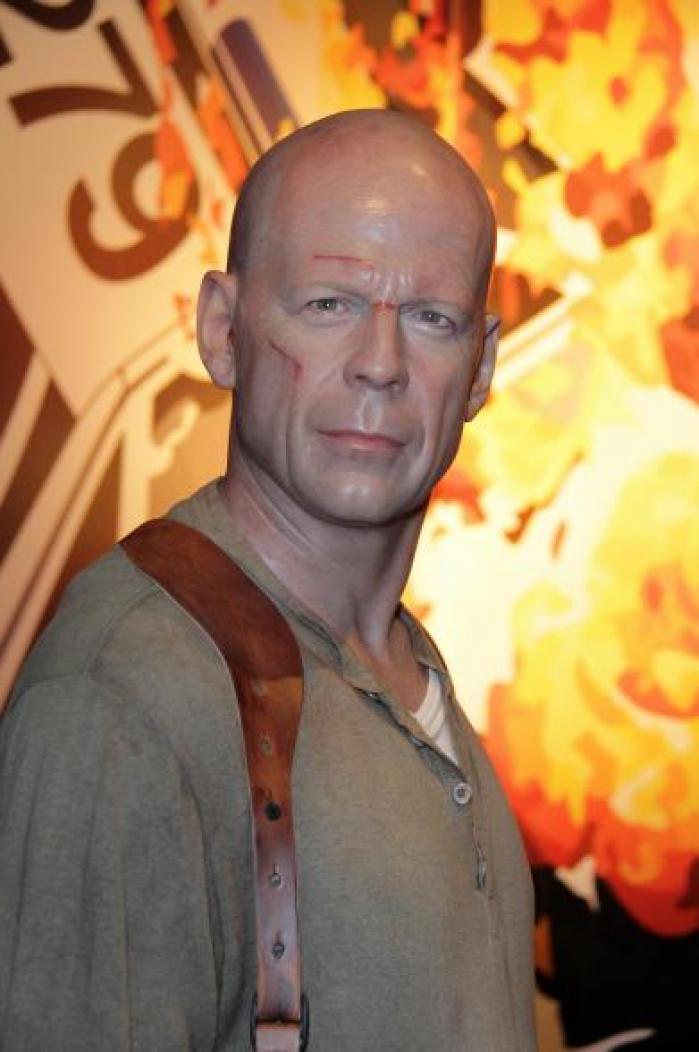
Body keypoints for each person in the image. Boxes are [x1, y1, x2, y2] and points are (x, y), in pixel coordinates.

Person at [0, 110, 535, 1050]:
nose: (380, 365)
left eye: (431, 318)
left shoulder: (408, 669)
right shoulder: (129, 693)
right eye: (328, 304)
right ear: (222, 331)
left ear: (481, 367)